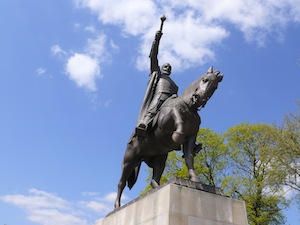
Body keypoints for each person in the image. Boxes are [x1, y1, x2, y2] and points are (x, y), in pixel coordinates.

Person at [135, 30, 178, 136]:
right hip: (160, 96)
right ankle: (144, 124)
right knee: (154, 107)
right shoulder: (157, 73)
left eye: (169, 67)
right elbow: (153, 56)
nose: (167, 68)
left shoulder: (175, 85)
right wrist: (156, 41)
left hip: (171, 100)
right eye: (165, 66)